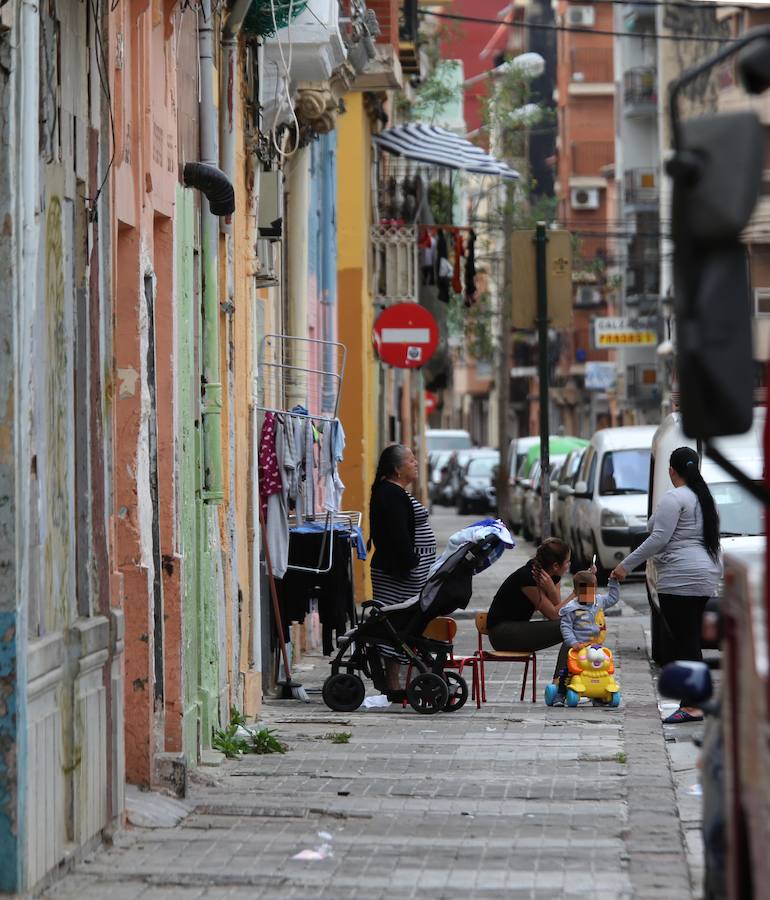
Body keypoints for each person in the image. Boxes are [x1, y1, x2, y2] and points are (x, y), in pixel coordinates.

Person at [611, 446, 721, 724]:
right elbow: (658, 527)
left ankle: (694, 705)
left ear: (671, 471)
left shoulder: (674, 497)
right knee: (691, 639)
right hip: (705, 575)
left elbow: (657, 538)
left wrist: (625, 566)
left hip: (679, 578)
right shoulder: (703, 497)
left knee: (685, 642)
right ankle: (695, 701)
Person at [369, 444, 436, 691]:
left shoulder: (395, 492)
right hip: (398, 573)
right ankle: (392, 681)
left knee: (400, 625)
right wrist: (412, 561)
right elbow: (397, 535)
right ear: (397, 469)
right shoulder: (391, 493)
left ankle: (395, 680)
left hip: (406, 572)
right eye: (410, 460)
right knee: (395, 624)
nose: (416, 462)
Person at [487, 538, 575, 703]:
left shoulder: (551, 576)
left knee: (570, 627)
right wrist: (576, 593)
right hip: (502, 633)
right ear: (556, 565)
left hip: (518, 628)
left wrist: (552, 591)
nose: (569, 565)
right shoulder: (528, 578)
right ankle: (559, 685)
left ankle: (562, 683)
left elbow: (558, 608)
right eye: (568, 562)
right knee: (568, 627)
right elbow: (555, 616)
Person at [559, 570, 620, 651]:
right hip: (579, 647)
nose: (588, 596)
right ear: (575, 592)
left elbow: (613, 598)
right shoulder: (572, 608)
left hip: (597, 647)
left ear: (595, 589)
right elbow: (566, 627)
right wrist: (573, 642)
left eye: (591, 592)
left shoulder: (599, 601)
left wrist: (613, 582)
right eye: (584, 593)